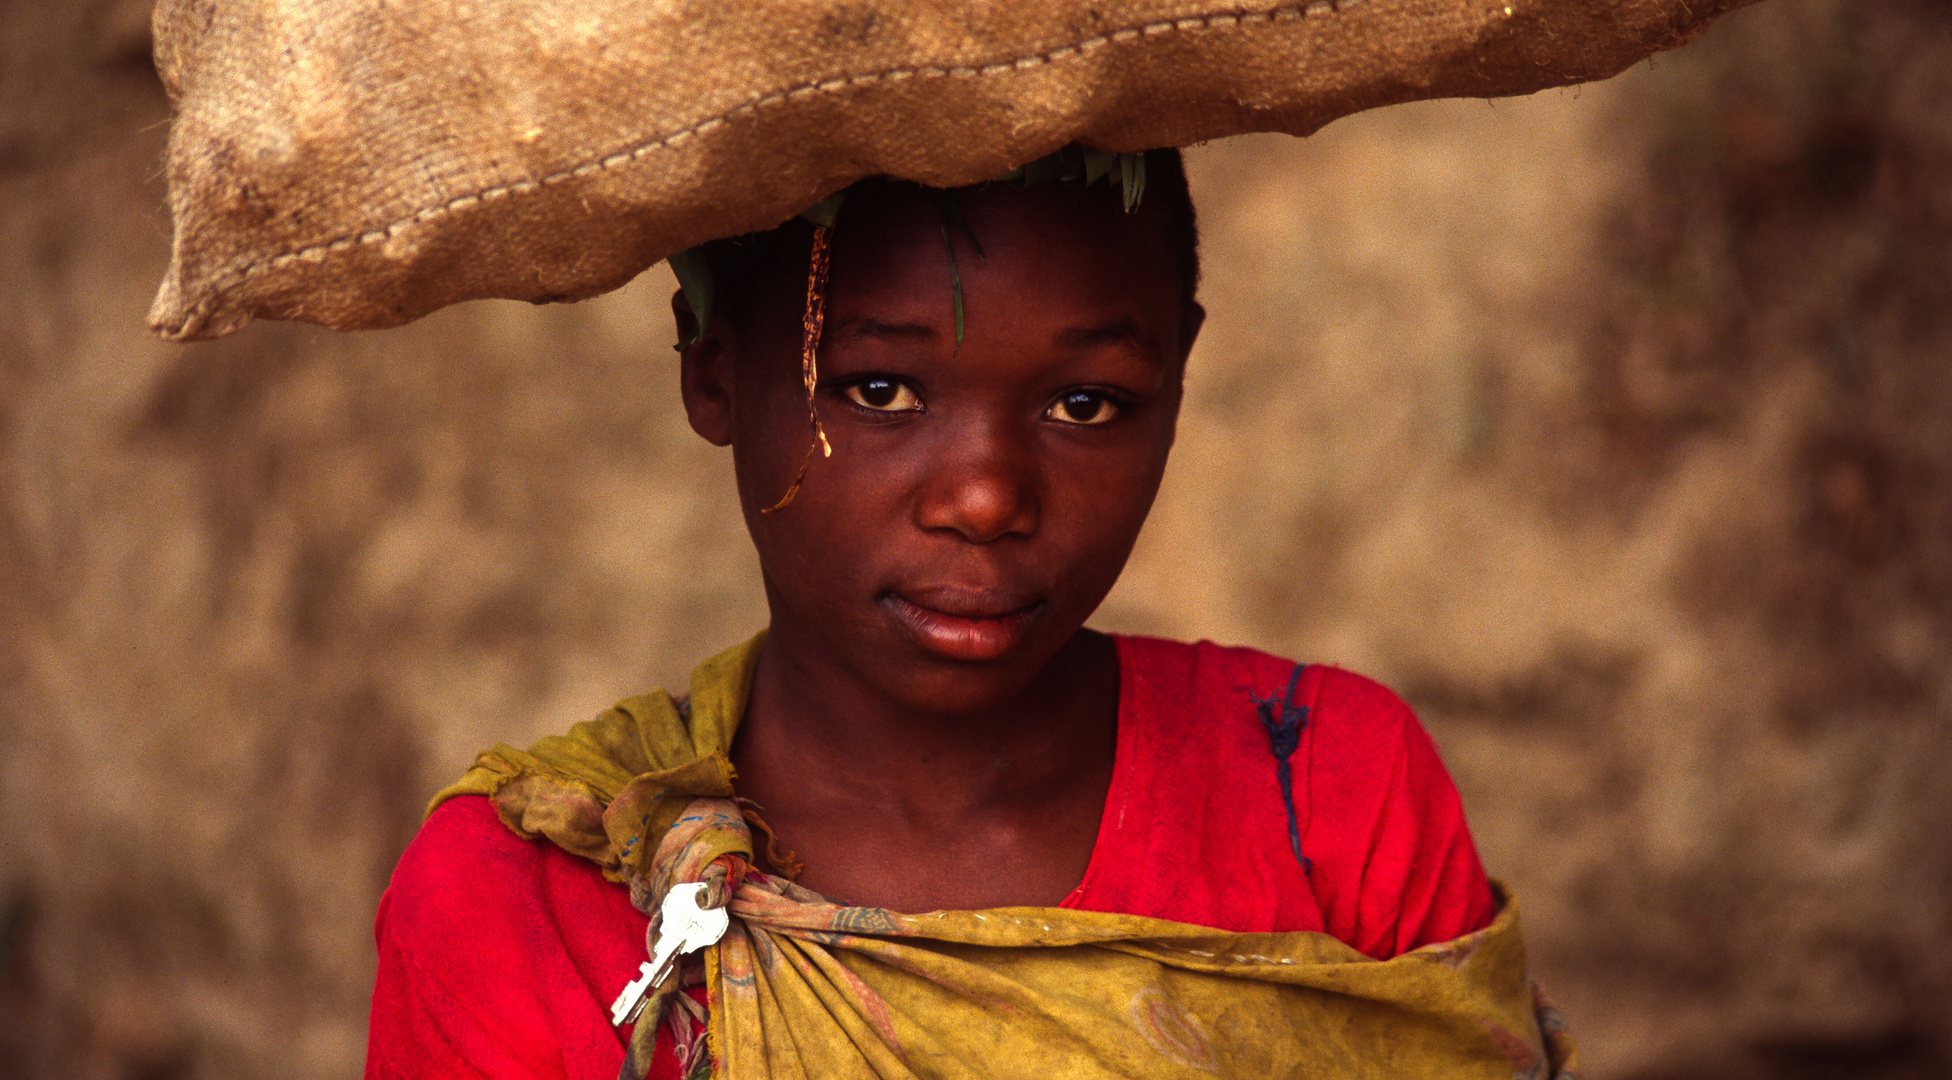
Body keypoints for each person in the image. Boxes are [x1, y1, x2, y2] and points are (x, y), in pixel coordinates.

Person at [363, 150, 1538, 1080]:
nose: (984, 497)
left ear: (1175, 378)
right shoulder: (526, 901)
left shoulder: (1328, 794)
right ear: (712, 371)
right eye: (880, 391)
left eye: (1086, 403)